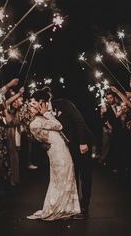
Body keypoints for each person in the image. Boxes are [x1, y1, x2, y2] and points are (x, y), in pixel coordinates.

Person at [30, 87, 93, 219]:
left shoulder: (63, 103)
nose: (34, 105)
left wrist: (83, 142)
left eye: (35, 102)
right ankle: (73, 207)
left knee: (85, 174)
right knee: (72, 175)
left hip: (81, 142)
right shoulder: (43, 113)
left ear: (42, 101)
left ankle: (85, 208)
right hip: (67, 147)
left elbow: (79, 121)